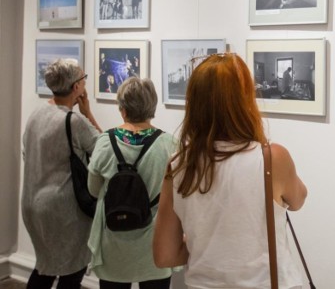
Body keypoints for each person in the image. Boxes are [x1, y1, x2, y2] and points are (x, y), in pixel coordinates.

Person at [153, 54, 307, 288]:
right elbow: (298, 200)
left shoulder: (179, 165)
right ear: (246, 100)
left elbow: (164, 255)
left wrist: (208, 250)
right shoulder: (272, 158)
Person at [22, 59, 102, 289]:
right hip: (63, 211)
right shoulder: (74, 121)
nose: (85, 83)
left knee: (45, 267)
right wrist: (88, 113)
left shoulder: (36, 114)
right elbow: (105, 150)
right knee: (71, 273)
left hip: (32, 204)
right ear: (76, 87)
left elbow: (27, 154)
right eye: (83, 79)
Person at [87, 77, 175, 289]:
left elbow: (93, 189)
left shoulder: (105, 142)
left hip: (114, 241)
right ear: (152, 106)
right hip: (155, 244)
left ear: (122, 109)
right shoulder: (169, 144)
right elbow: (176, 196)